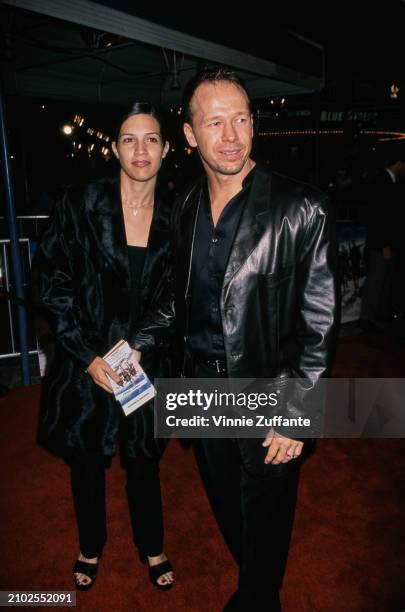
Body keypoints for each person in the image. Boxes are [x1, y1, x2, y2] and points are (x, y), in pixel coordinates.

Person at [134, 67, 339, 611]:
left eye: (241, 119)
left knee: (267, 517)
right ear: (190, 135)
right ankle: (255, 587)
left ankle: (257, 599)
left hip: (267, 391)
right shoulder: (182, 209)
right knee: (227, 505)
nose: (231, 136)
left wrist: (298, 411)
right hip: (198, 390)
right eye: (215, 122)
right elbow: (180, 298)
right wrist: (136, 343)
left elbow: (318, 320)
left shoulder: (302, 208)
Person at [36, 103, 174, 591]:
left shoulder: (179, 212)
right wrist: (88, 355)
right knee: (88, 462)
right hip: (86, 361)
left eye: (152, 139)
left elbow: (180, 294)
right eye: (130, 139)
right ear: (115, 147)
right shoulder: (80, 203)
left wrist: (142, 343)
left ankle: (152, 544)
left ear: (166, 149)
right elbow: (50, 284)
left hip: (146, 363)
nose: (141, 149)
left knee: (143, 460)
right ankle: (90, 545)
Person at [359, 143, 405, 332]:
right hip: (381, 242)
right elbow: (379, 216)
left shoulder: (388, 180)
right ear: (399, 163)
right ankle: (368, 317)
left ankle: (377, 314)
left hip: (386, 241)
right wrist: (385, 243)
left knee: (383, 279)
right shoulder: (382, 181)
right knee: (377, 280)